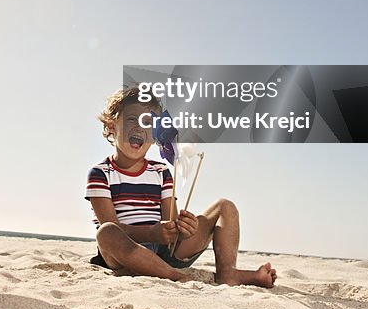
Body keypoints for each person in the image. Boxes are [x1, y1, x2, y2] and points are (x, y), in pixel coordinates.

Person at [85, 86, 277, 287]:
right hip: (126, 252)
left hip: (164, 249)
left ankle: (228, 273)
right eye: (132, 119)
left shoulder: (161, 172)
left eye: (149, 123)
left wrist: (184, 229)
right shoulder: (100, 174)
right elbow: (112, 225)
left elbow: (170, 222)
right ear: (111, 126)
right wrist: (151, 233)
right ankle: (174, 276)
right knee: (106, 232)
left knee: (225, 207)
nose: (141, 128)